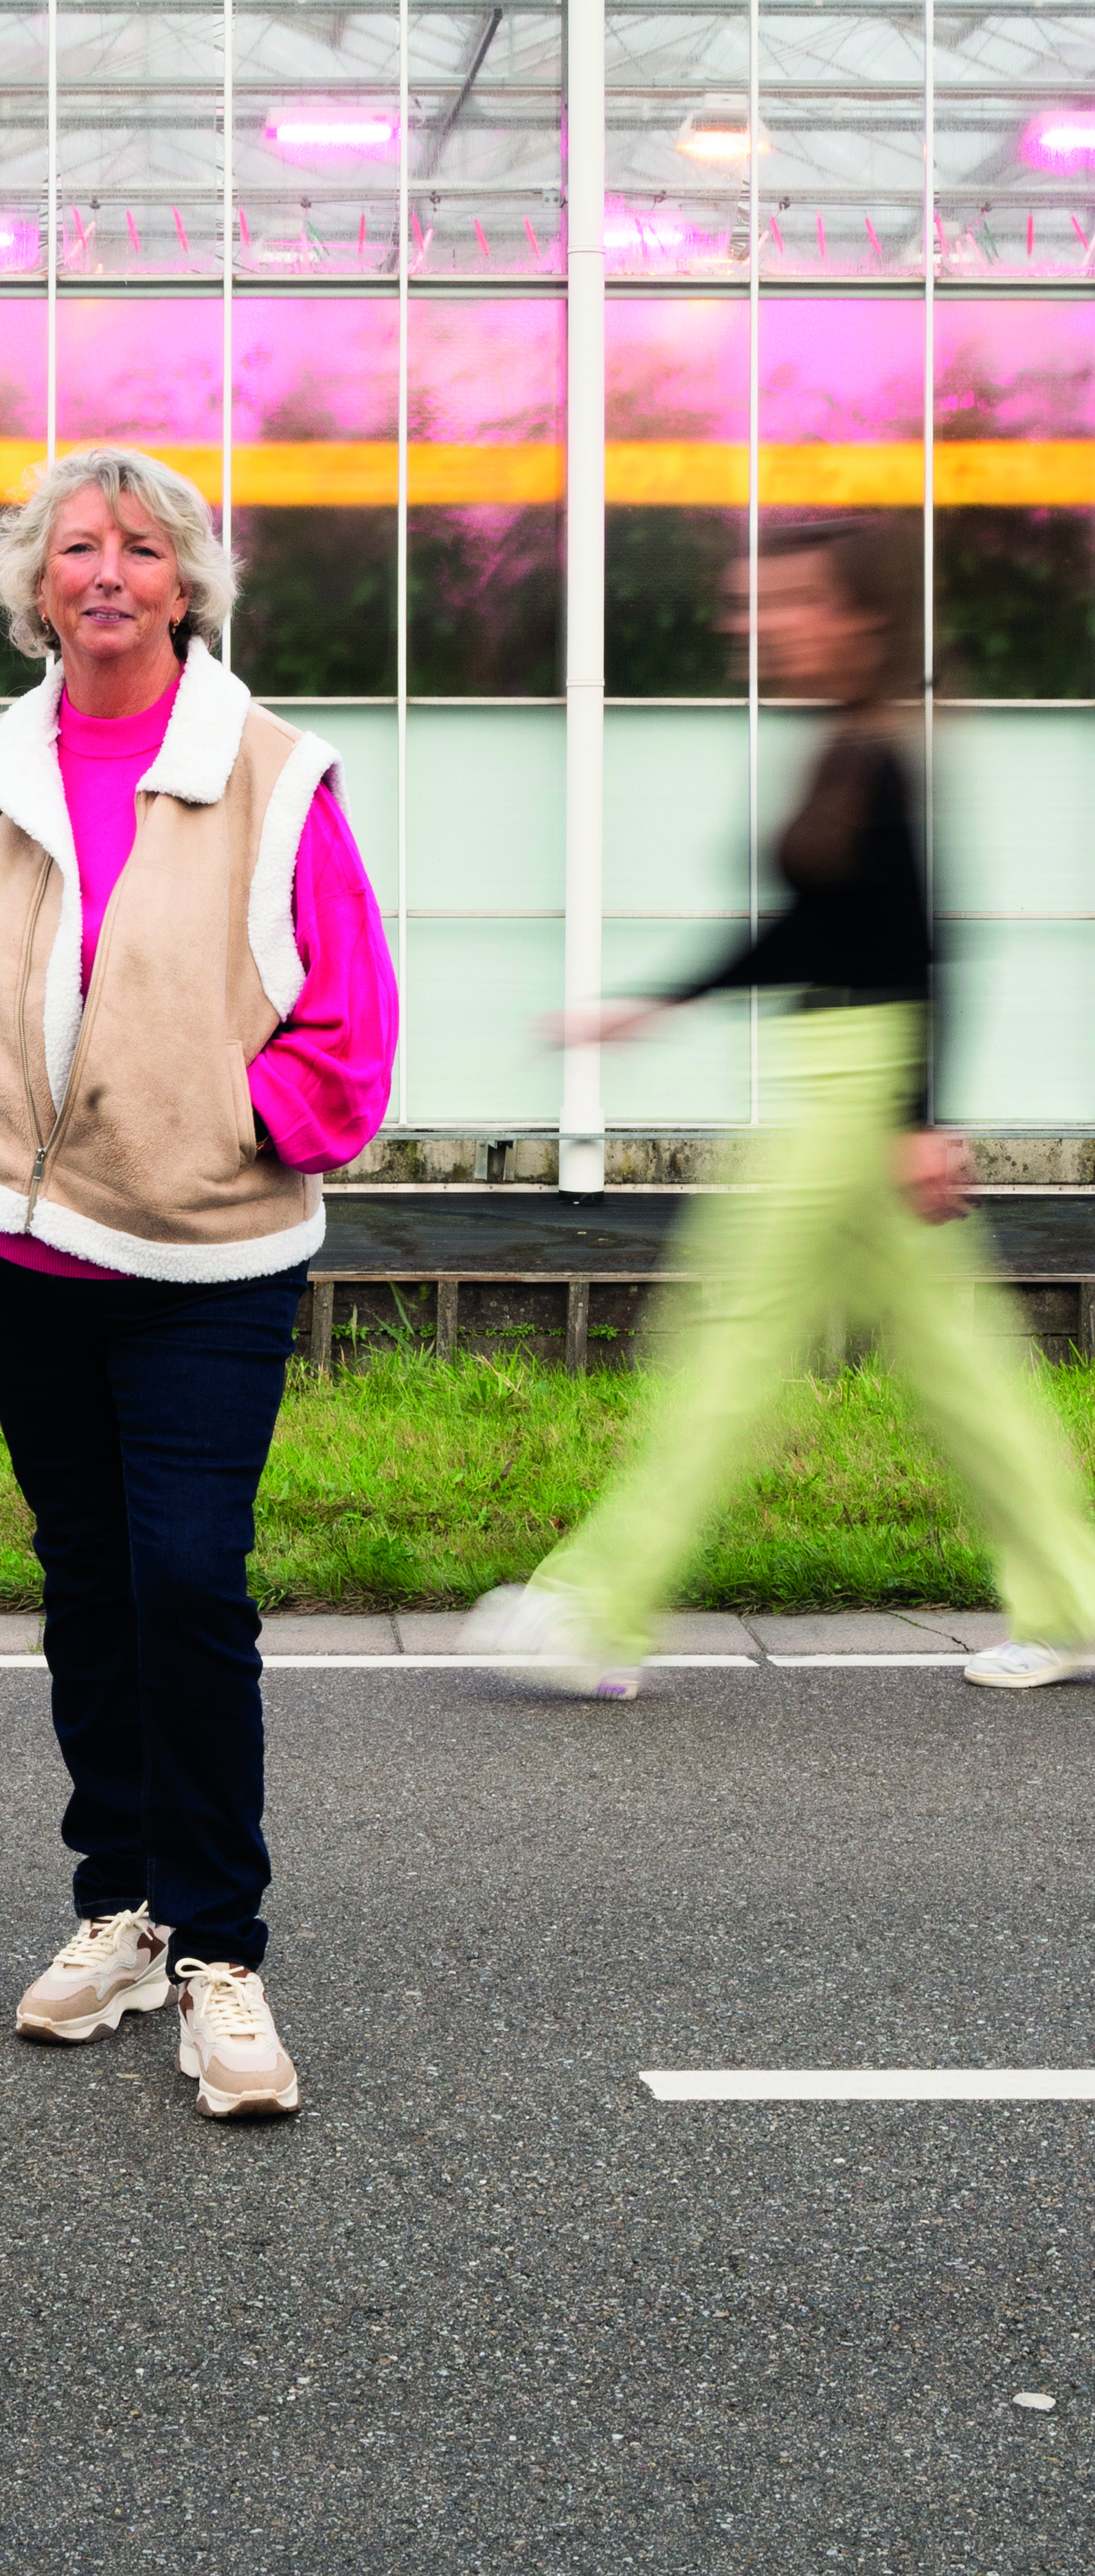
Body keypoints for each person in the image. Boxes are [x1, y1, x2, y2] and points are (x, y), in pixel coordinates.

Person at [0, 445, 398, 2121]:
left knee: (187, 1583)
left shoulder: (271, 773)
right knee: (88, 1577)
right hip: (14, 1239)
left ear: (188, 586)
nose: (107, 572)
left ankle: (225, 1953)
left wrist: (241, 1130)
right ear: (36, 586)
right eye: (75, 547)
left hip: (202, 1252)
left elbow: (348, 1020)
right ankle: (122, 1909)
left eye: (142, 548)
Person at [462, 517, 1095, 1699]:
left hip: (855, 1093)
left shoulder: (883, 755)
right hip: (847, 1074)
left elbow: (919, 945)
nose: (750, 623)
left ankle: (599, 1608)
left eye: (782, 601)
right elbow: (815, 929)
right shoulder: (851, 745)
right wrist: (657, 1003)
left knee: (730, 1343)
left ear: (856, 618)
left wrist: (917, 1118)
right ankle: (1071, 1603)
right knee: (959, 1364)